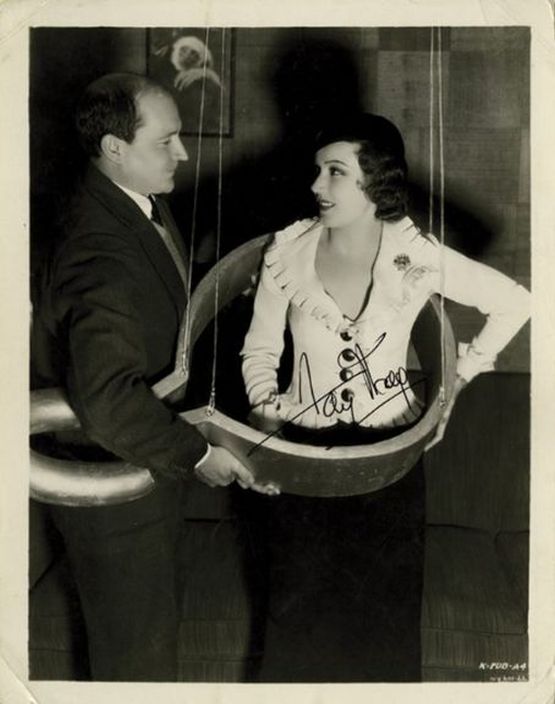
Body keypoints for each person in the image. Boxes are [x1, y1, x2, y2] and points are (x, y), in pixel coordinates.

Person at [240, 113, 530, 681]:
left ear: (377, 181)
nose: (316, 185)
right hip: (301, 461)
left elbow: (515, 302)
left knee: (385, 632)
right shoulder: (286, 251)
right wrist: (265, 419)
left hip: (391, 463)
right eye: (317, 170)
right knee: (294, 628)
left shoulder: (416, 254)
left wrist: (454, 384)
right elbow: (259, 349)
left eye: (335, 172)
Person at [30, 72, 269, 682]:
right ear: (115, 147)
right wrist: (197, 456)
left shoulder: (132, 200)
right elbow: (108, 400)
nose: (182, 153)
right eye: (166, 141)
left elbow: (157, 289)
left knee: (146, 651)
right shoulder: (97, 250)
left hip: (140, 478)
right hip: (116, 493)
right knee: (137, 666)